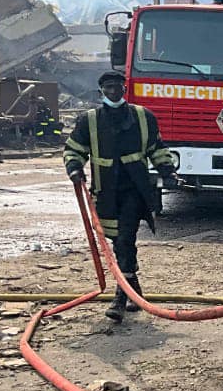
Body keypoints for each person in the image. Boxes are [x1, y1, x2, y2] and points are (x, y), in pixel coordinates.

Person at [63, 71, 178, 323]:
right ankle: (134, 289)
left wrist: (168, 172)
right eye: (108, 88)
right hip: (106, 191)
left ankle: (120, 298)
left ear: (125, 90)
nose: (114, 92)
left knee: (126, 237)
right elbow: (74, 149)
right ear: (101, 91)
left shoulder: (143, 117)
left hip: (135, 189)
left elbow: (157, 148)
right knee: (118, 241)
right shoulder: (89, 121)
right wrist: (74, 168)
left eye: (117, 87)